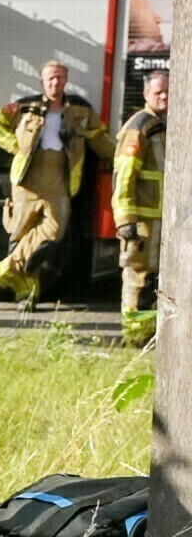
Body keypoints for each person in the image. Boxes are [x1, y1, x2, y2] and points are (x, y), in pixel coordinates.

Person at [0, 61, 115, 309]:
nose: (55, 83)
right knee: (22, 235)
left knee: (53, 233)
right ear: (42, 82)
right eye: (50, 79)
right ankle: (27, 296)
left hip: (59, 177)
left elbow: (99, 136)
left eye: (59, 78)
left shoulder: (80, 109)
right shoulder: (24, 106)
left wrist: (120, 157)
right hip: (28, 179)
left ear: (66, 80)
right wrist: (14, 146)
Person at [113, 69, 169, 348]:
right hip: (142, 220)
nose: (164, 96)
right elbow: (124, 175)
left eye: (167, 91)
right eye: (158, 91)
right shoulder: (140, 126)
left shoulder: (165, 124)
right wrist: (125, 218)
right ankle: (135, 337)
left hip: (160, 220)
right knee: (137, 278)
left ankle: (148, 335)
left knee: (155, 280)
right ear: (146, 94)